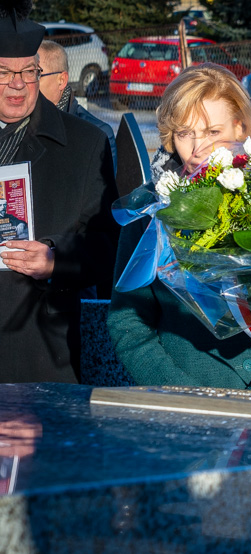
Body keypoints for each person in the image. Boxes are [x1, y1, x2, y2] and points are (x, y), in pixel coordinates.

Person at [107, 63, 251, 391]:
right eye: (185, 133)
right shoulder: (149, 212)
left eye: (213, 132)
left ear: (241, 128)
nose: (198, 148)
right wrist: (181, 394)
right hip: (186, 402)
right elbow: (127, 323)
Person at [0, 4, 118, 384]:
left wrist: (56, 259)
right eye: (3, 72)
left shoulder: (84, 144)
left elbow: (110, 247)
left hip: (36, 352)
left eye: (29, 72)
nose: (17, 84)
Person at [37, 39, 117, 173]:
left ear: (61, 80)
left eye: (37, 74)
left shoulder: (97, 134)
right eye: (26, 72)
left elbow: (101, 191)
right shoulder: (18, 122)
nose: (26, 82)